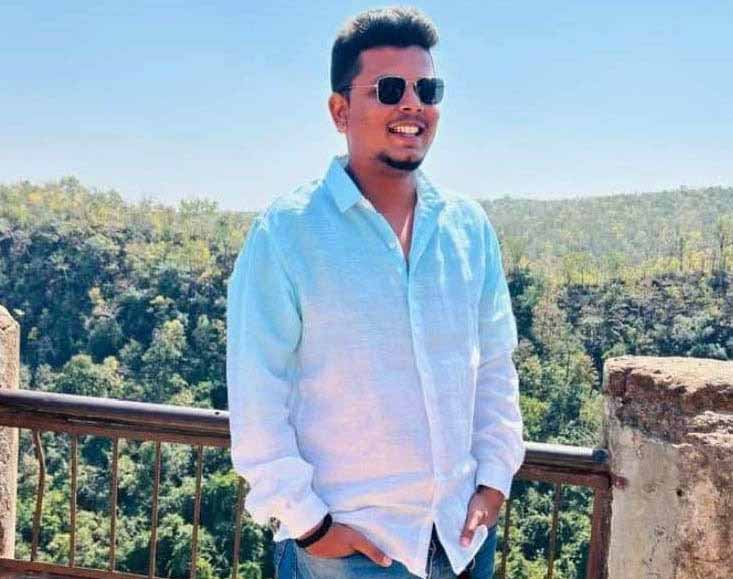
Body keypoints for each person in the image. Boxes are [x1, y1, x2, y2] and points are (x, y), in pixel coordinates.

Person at [226, 6, 525, 578]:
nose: (412, 104)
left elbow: (493, 365)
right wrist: (312, 528)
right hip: (351, 552)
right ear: (340, 110)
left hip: (463, 539)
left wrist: (493, 483)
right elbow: (257, 394)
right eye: (389, 89)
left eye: (426, 89)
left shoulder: (468, 228)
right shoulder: (287, 234)